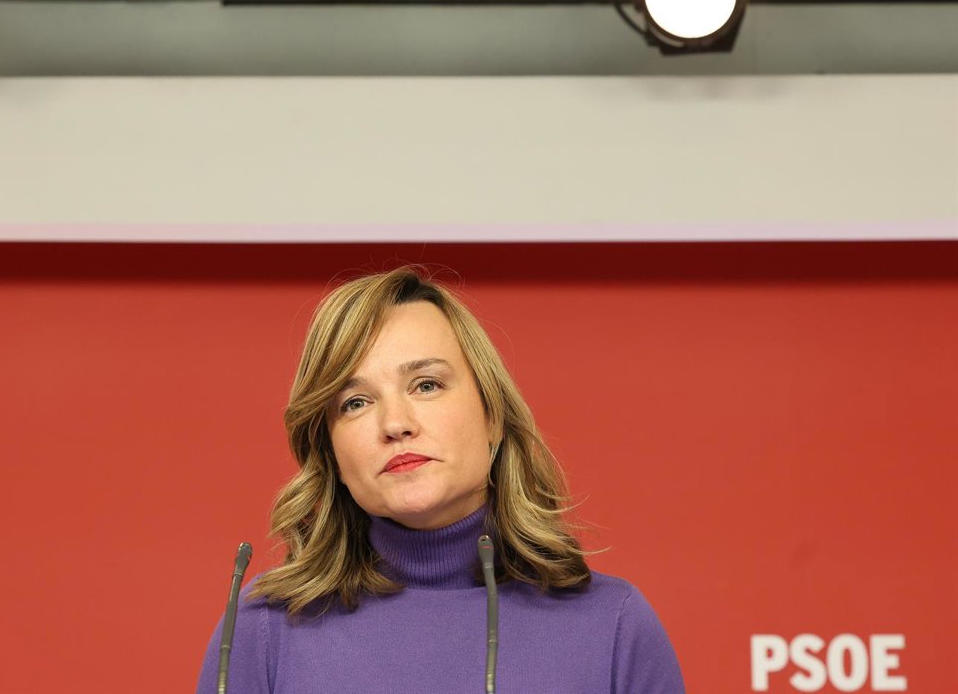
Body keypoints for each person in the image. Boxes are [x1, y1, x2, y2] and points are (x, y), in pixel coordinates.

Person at [196, 266, 685, 693]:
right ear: (332, 455)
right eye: (355, 402)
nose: (395, 423)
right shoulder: (263, 630)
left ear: (493, 416)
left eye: (426, 384)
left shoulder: (614, 627)